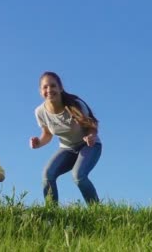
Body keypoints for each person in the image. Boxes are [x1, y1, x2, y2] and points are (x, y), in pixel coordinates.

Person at [29, 71, 102, 205]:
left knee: (78, 176)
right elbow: (47, 134)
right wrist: (38, 143)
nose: (49, 90)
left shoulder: (75, 104)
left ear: (60, 88)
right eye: (45, 87)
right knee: (47, 174)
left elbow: (92, 125)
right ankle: (52, 214)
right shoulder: (40, 112)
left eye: (53, 86)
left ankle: (97, 210)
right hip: (67, 149)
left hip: (89, 146)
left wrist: (91, 136)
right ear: (40, 91)